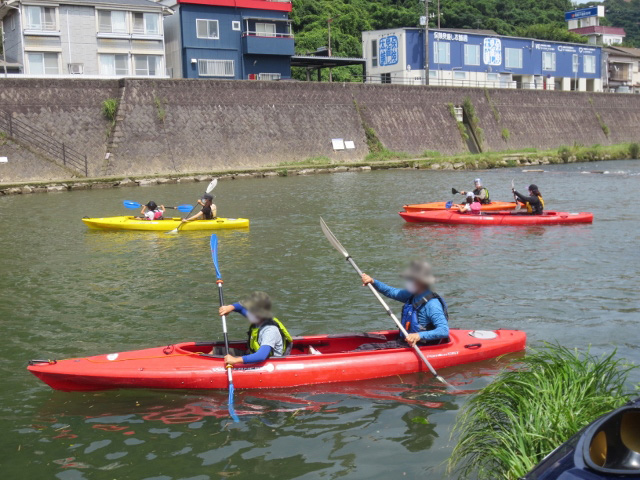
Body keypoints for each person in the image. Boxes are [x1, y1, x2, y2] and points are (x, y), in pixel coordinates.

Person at [360, 260, 449, 348]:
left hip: (420, 345)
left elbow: (443, 331)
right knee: (364, 345)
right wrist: (373, 281)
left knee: (365, 348)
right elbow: (391, 292)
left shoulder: (432, 304)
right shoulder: (412, 294)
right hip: (405, 341)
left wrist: (418, 336)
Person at [219, 291, 292, 366]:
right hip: (253, 354)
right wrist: (229, 308)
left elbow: (261, 356)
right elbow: (240, 308)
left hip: (267, 362)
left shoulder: (270, 330)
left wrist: (235, 360)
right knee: (218, 350)